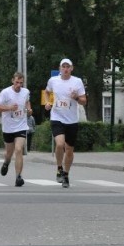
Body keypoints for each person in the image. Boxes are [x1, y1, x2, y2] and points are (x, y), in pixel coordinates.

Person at [44, 58, 87, 189]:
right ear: (60, 68)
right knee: (60, 144)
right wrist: (47, 102)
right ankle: (59, 168)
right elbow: (47, 92)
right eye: (63, 67)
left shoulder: (77, 81)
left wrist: (76, 98)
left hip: (72, 120)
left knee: (69, 150)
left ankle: (66, 175)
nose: (66, 69)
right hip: (57, 117)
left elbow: (84, 101)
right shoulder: (53, 81)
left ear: (72, 68)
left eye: (68, 67)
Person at [0, 72, 32, 187]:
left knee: (19, 149)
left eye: (21, 83)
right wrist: (9, 108)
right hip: (8, 127)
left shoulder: (26, 92)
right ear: (12, 81)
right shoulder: (5, 93)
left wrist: (29, 110)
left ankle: (18, 177)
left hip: (21, 125)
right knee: (9, 153)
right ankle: (6, 163)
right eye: (17, 82)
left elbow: (27, 103)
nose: (19, 85)